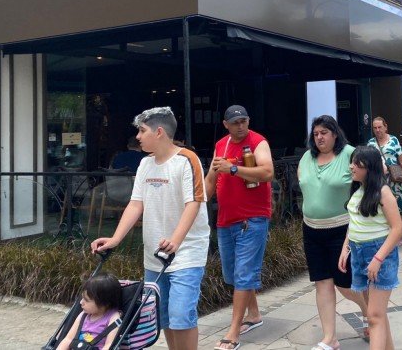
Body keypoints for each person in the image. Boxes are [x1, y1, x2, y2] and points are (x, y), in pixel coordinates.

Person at [91, 107, 209, 350]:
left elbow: (194, 204)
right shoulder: (145, 164)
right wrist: (115, 238)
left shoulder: (188, 159)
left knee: (181, 315)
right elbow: (135, 204)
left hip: (186, 253)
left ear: (159, 132)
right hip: (154, 256)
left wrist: (175, 241)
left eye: (142, 131)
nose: (138, 137)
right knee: (163, 315)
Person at [204, 105, 275, 350]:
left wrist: (233, 168)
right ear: (226, 124)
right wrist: (196, 202)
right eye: (235, 122)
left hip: (252, 219)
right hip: (226, 219)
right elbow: (211, 180)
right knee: (233, 274)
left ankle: (233, 332)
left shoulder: (258, 142)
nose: (240, 126)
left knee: (244, 274)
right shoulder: (221, 145)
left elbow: (267, 172)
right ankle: (253, 315)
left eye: (244, 121)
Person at [298, 115, 368, 350]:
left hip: (341, 230)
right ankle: (330, 338)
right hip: (312, 230)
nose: (319, 137)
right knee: (322, 283)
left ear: (334, 134)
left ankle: (369, 312)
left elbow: (369, 180)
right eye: (316, 133)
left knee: (345, 285)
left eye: (324, 133)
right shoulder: (307, 157)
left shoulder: (349, 154)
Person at [339, 146, 402, 350]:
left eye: (357, 163)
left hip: (378, 254)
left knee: (373, 316)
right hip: (359, 253)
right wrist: (345, 248)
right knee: (378, 314)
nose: (352, 166)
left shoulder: (382, 192)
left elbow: (397, 229)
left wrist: (378, 259)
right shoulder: (359, 189)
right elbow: (355, 222)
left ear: (369, 167)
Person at [57, 273, 122, 350]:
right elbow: (68, 339)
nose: (81, 302)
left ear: (104, 303)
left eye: (86, 300)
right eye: (82, 298)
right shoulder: (83, 315)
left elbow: (109, 345)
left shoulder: (113, 318)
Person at [368, 117, 402, 219]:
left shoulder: (393, 140)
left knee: (398, 211)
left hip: (394, 180)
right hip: (378, 181)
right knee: (382, 211)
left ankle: (399, 233)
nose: (377, 130)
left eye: (380, 127)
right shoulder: (370, 143)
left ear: (385, 127)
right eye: (375, 128)